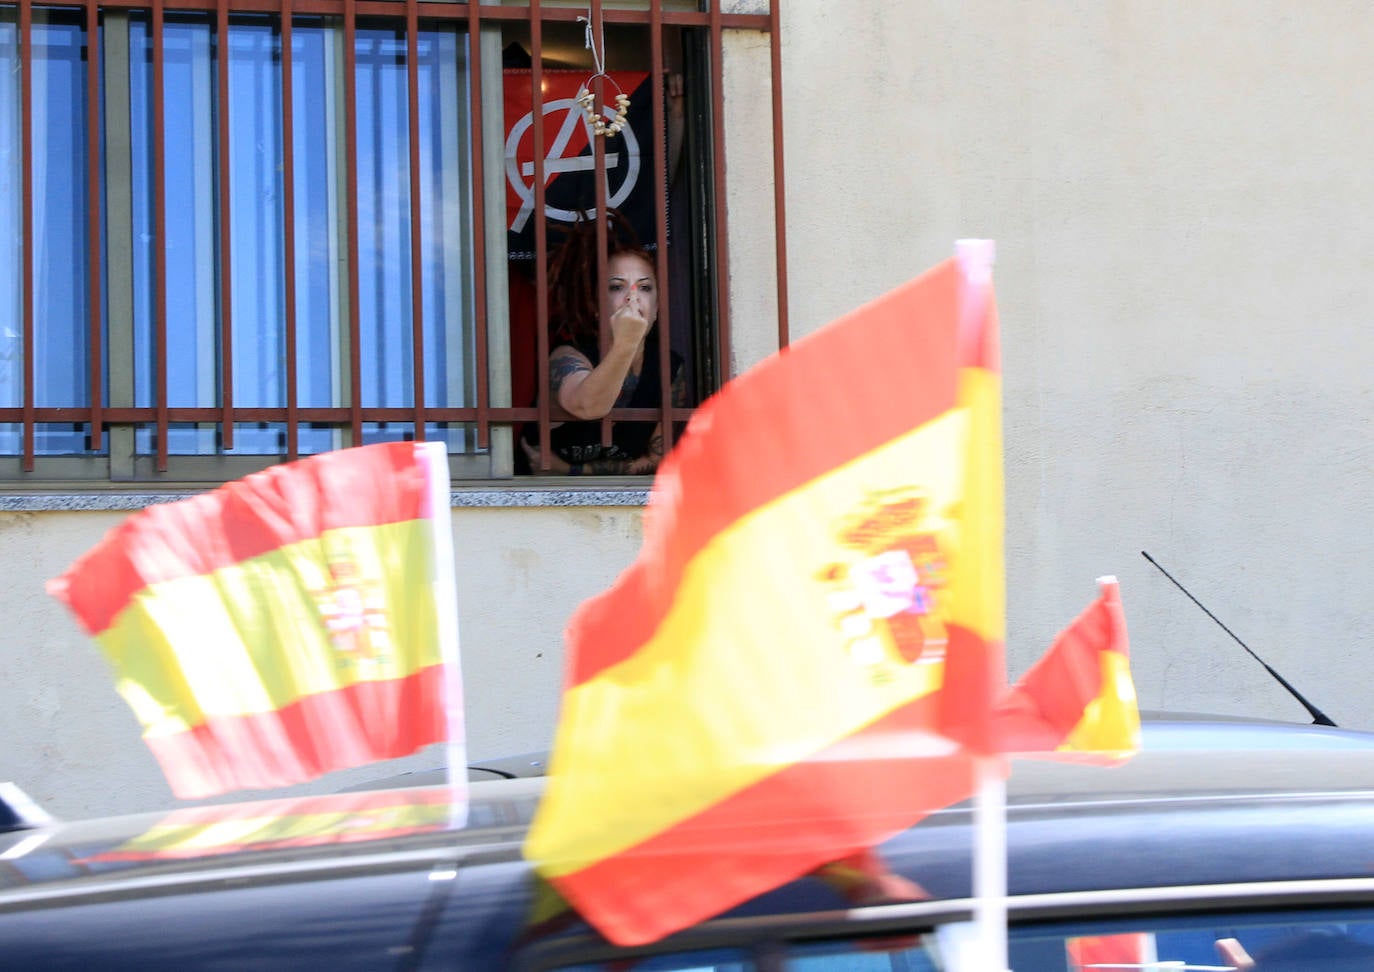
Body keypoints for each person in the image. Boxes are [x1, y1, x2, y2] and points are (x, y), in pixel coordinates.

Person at [521, 212, 686, 476]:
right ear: (596, 304)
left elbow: (656, 459)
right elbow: (588, 406)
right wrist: (626, 343)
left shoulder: (668, 367)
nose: (632, 298)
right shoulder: (568, 356)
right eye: (616, 287)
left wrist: (573, 469)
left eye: (644, 288)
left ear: (657, 305)